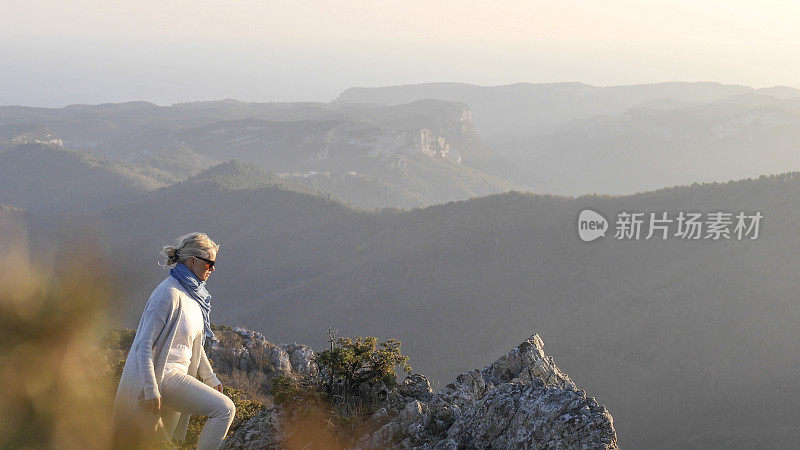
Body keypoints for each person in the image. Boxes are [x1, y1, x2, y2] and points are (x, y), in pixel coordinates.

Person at [111, 232, 235, 449]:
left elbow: (194, 345)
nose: (212, 268)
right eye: (209, 263)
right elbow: (143, 345)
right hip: (164, 377)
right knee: (224, 409)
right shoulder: (167, 294)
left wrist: (210, 379)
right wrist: (151, 389)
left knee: (162, 444)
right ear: (193, 261)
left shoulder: (194, 296)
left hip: (176, 376)